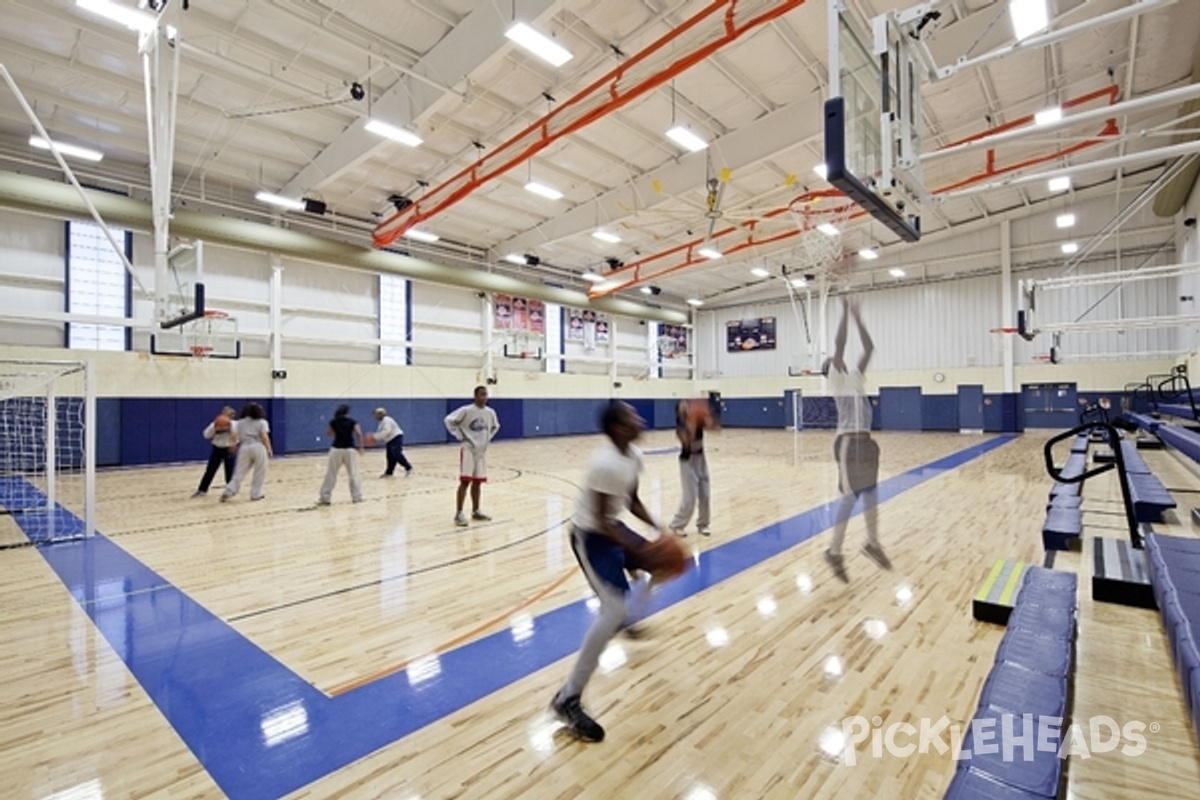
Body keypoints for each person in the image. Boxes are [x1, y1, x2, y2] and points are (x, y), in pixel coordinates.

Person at [550, 400, 663, 743]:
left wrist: (660, 531)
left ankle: (627, 613)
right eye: (633, 417)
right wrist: (637, 550)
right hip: (591, 536)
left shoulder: (632, 456)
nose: (640, 420)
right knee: (613, 609)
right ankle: (568, 697)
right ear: (617, 427)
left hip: (612, 527)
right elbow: (599, 522)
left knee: (659, 563)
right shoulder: (604, 464)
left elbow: (632, 501)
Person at [823, 299, 890, 582]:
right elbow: (839, 347)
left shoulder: (855, 378)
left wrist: (859, 317)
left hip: (866, 444)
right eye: (830, 362)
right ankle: (834, 551)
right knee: (849, 500)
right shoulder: (837, 379)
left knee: (872, 497)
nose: (835, 359)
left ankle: (872, 544)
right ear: (829, 369)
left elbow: (869, 348)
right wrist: (843, 314)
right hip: (849, 444)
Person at [444, 386, 500, 526]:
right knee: (465, 481)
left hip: (481, 452)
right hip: (468, 449)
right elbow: (448, 420)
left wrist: (487, 438)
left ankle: (476, 510)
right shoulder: (467, 410)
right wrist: (459, 435)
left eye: (486, 395)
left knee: (477, 482)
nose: (484, 397)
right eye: (481, 394)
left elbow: (495, 427)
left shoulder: (490, 412)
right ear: (475, 396)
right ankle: (459, 513)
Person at [667, 400, 712, 536]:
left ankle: (703, 524)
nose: (686, 407)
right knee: (690, 497)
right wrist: (692, 422)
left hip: (701, 459)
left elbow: (714, 427)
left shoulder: (698, 421)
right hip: (688, 461)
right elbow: (688, 444)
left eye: (686, 405)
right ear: (678, 411)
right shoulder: (680, 429)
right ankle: (676, 524)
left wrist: (708, 417)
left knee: (705, 494)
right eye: (682, 406)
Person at [220, 402, 273, 502]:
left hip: (244, 447)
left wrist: (232, 445)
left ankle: (229, 490)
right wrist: (269, 449)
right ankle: (255, 494)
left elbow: (234, 435)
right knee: (260, 471)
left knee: (239, 471)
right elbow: (264, 437)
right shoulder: (262, 422)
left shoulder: (240, 422)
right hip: (258, 446)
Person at [317, 404, 364, 505]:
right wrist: (360, 447)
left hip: (336, 449)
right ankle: (357, 497)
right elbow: (359, 434)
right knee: (353, 473)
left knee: (331, 474)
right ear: (348, 413)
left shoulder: (333, 421)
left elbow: (328, 433)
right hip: (350, 449)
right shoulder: (352, 422)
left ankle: (325, 497)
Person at [192, 405, 238, 498]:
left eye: (229, 413)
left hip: (229, 449)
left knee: (230, 471)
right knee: (210, 470)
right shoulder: (215, 424)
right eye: (225, 412)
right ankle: (202, 490)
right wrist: (215, 430)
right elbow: (206, 435)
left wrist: (233, 444)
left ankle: (230, 490)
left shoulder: (235, 424)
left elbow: (237, 436)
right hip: (217, 448)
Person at [372, 407, 413, 477]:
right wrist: (375, 437)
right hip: (390, 440)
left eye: (376, 414)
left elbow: (386, 431)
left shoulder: (387, 420)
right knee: (390, 456)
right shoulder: (382, 422)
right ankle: (389, 472)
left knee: (397, 454)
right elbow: (382, 433)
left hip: (396, 438)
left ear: (380, 414)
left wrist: (375, 437)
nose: (374, 416)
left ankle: (408, 468)